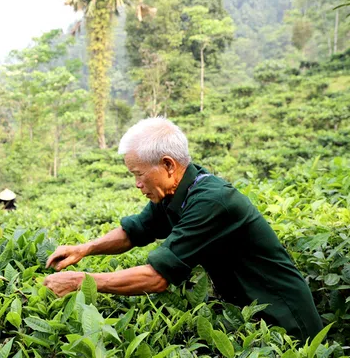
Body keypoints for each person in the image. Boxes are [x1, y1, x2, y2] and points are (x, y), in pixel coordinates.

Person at [43, 117, 323, 343]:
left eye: (139, 174)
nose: (137, 184)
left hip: (285, 318)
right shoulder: (176, 191)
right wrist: (84, 249)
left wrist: (82, 281)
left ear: (167, 165)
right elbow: (136, 231)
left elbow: (156, 278)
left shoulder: (212, 201)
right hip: (249, 315)